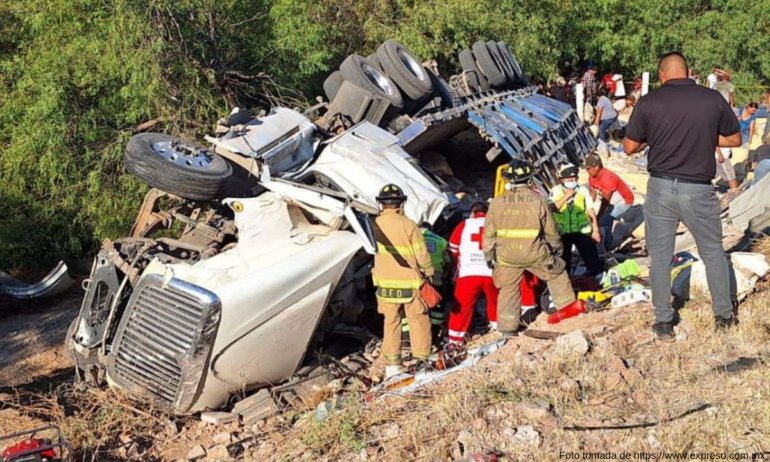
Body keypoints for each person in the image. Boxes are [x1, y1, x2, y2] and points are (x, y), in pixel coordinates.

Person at [623, 51, 742, 340]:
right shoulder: (712, 98)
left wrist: (656, 136)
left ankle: (664, 321)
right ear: (688, 72)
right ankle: (724, 316)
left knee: (661, 257)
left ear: (661, 75)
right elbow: (736, 139)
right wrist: (702, 133)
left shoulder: (649, 101)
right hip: (698, 190)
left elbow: (628, 147)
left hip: (661, 188)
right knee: (713, 253)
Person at [483, 159, 586, 335]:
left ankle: (508, 329)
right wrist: (557, 250)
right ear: (530, 178)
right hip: (536, 254)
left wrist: (489, 256)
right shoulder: (538, 200)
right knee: (558, 274)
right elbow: (551, 231)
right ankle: (569, 314)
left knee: (508, 289)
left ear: (509, 179)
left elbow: (489, 234)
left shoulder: (497, 203)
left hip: (507, 257)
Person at [372, 184, 435, 378]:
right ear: (401, 203)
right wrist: (429, 271)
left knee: (391, 322)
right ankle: (422, 359)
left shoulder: (374, 225)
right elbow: (421, 254)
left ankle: (392, 365)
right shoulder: (409, 225)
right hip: (409, 283)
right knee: (418, 319)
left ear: (382, 204)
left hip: (384, 284)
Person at [446, 202, 499, 344]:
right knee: (496, 303)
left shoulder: (464, 225)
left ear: (472, 213)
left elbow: (453, 249)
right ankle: (498, 331)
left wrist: (452, 269)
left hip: (468, 273)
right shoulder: (495, 224)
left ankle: (455, 341)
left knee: (462, 308)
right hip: (491, 272)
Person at [549, 163, 603, 275]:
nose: (571, 181)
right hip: (563, 232)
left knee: (591, 258)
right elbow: (552, 208)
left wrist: (596, 231)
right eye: (568, 179)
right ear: (561, 179)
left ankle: (597, 277)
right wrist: (566, 196)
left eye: (574, 178)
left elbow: (590, 210)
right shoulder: (555, 191)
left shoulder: (583, 190)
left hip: (581, 230)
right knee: (564, 261)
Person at [583, 154, 639, 251]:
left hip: (624, 201)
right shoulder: (592, 176)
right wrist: (589, 208)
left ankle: (606, 245)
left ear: (596, 167)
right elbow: (593, 192)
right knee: (603, 219)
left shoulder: (608, 179)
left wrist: (598, 216)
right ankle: (607, 241)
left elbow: (605, 202)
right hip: (611, 201)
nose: (587, 171)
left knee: (604, 221)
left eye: (588, 168)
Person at [418, 222, 451, 343]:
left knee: (417, 307)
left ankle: (413, 338)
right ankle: (434, 334)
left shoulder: (414, 238)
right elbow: (448, 261)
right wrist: (444, 275)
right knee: (437, 308)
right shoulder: (441, 241)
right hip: (437, 280)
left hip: (418, 280)